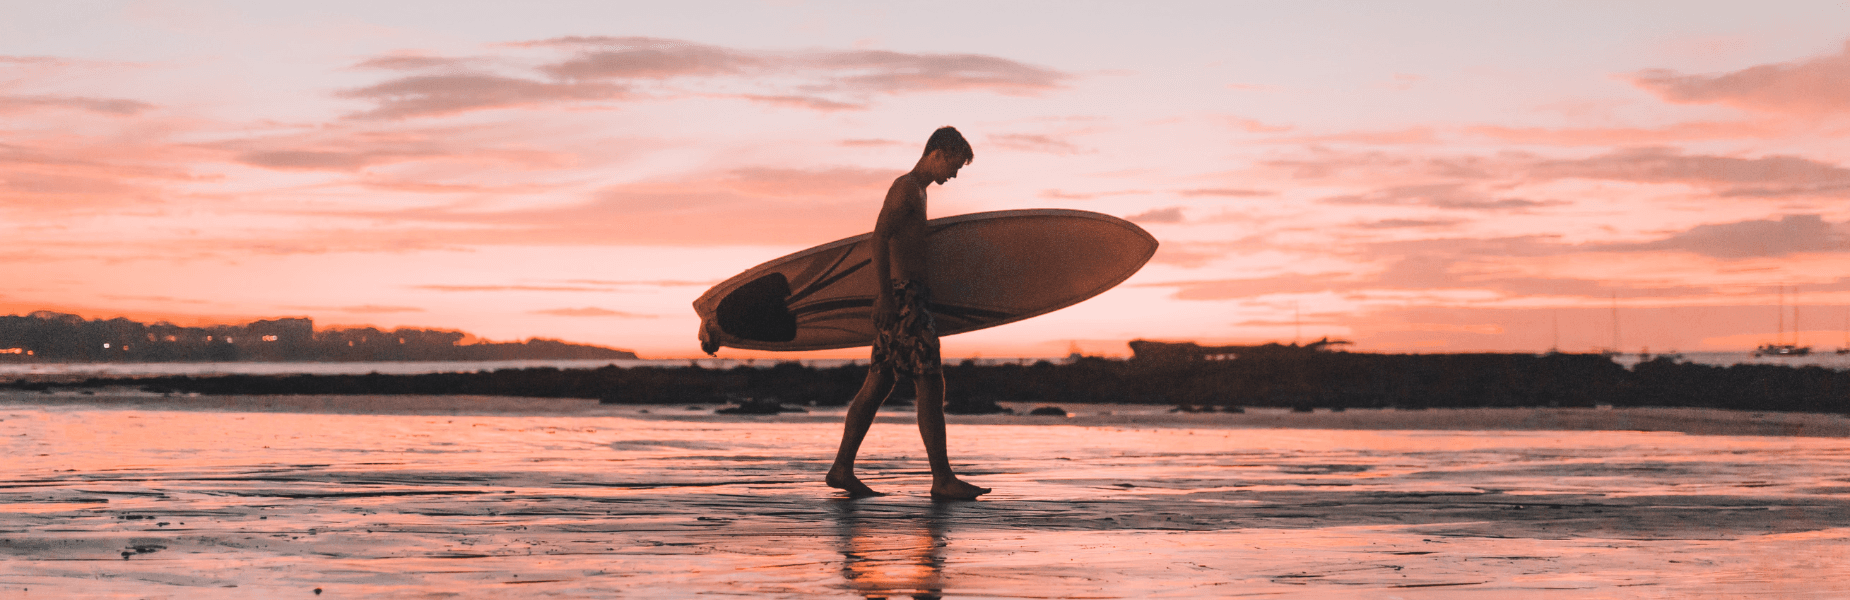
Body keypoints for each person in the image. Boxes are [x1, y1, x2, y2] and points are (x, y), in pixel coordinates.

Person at [825, 126, 991, 501]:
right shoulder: (906, 189)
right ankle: (943, 478)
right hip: (904, 301)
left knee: (879, 383)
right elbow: (879, 237)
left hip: (907, 298)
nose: (954, 175)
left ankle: (841, 467)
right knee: (930, 382)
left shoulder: (917, 191)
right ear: (937, 153)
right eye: (954, 165)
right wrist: (885, 297)